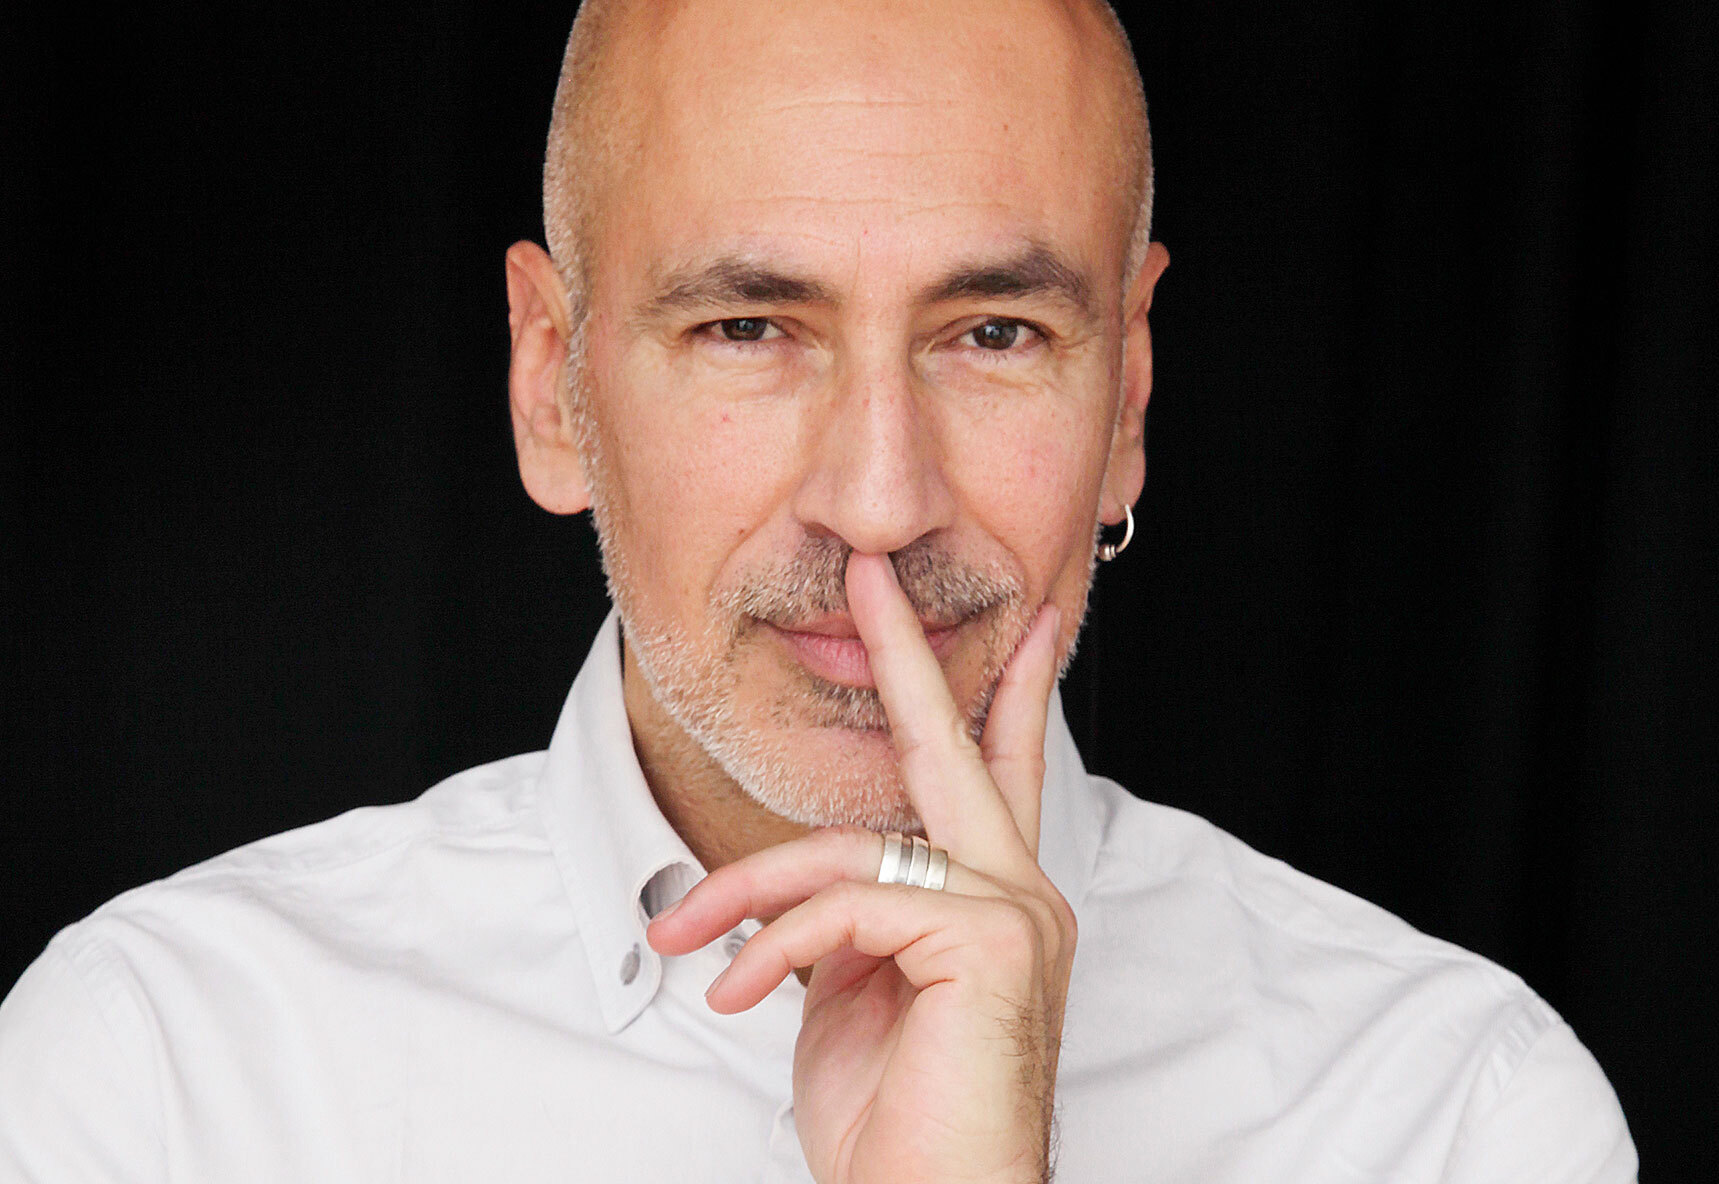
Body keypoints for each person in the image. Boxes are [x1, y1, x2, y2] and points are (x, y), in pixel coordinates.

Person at [0, 0, 1637, 1180]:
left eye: (993, 333)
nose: (878, 500)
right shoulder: (161, 1075)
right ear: (552, 382)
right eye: (748, 329)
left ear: (1129, 392)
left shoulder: (1454, 1119)